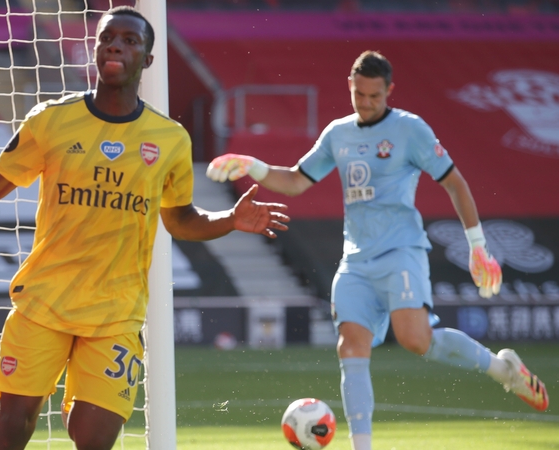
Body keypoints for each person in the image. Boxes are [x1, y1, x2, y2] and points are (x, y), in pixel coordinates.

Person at [0, 6, 289, 450]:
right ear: (95, 49)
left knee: (93, 437)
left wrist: (230, 220)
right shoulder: (51, 119)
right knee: (12, 428)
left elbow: (181, 221)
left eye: (130, 40)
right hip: (45, 303)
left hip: (116, 313)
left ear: (148, 60)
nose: (116, 45)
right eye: (107, 38)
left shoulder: (171, 139)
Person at [206, 50, 548, 450]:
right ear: (350, 88)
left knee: (417, 341)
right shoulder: (338, 133)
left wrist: (477, 246)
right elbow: (298, 180)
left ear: (389, 91)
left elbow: (455, 183)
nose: (365, 104)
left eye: (374, 96)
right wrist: (254, 166)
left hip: (402, 250)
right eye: (359, 95)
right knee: (350, 346)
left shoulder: (410, 130)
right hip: (356, 261)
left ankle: (504, 370)